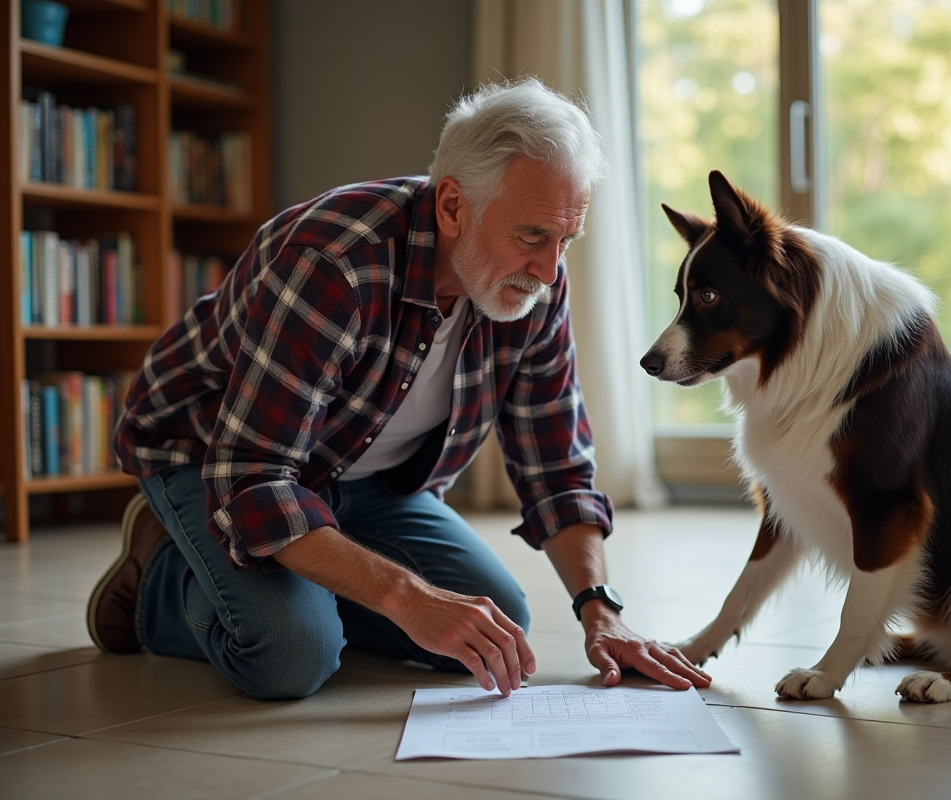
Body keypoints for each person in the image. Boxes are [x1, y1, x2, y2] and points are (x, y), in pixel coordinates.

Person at [88, 78, 711, 700]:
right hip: (213, 459)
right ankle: (158, 576)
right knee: (289, 657)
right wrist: (406, 596)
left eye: (565, 240)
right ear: (451, 207)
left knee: (494, 628)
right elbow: (253, 479)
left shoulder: (534, 282)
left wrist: (600, 611)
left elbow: (557, 469)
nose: (550, 270)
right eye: (531, 237)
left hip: (369, 481)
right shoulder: (333, 263)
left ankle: (315, 588)